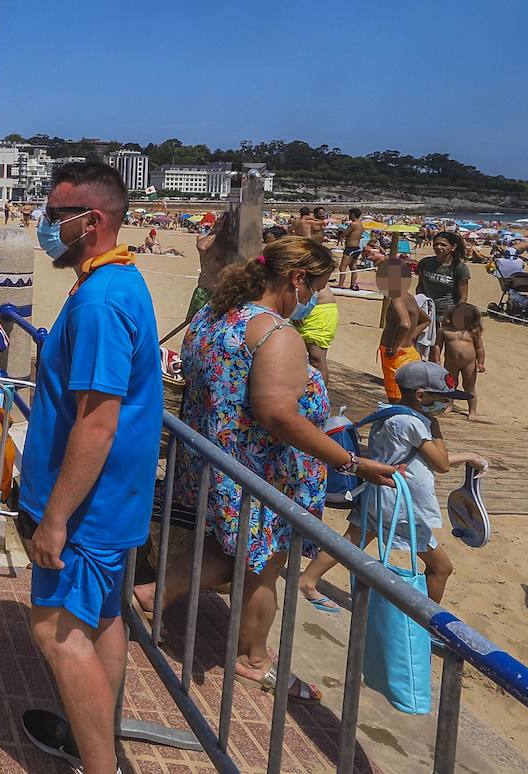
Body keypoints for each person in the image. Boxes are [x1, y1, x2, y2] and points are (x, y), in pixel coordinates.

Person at [132, 236, 399, 704]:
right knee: (264, 567)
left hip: (212, 462)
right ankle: (254, 659)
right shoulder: (276, 334)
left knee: (229, 547)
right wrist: (350, 461)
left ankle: (157, 594)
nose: (315, 297)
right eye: (316, 286)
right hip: (262, 475)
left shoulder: (212, 317)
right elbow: (277, 412)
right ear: (297, 280)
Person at [16, 163, 161, 774]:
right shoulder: (117, 279)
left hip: (86, 510)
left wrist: (54, 519)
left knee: (54, 631)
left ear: (91, 221)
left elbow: (97, 421)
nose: (46, 226)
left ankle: (100, 764)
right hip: (112, 502)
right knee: (103, 619)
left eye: (55, 216)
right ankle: (91, 738)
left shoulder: (101, 300)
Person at [299, 361, 487, 606]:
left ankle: (308, 580)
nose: (448, 405)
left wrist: (469, 456)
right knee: (442, 568)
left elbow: (426, 459)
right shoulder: (413, 423)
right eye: (444, 399)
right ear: (421, 395)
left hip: (378, 496)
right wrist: (436, 429)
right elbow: (440, 463)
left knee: (351, 541)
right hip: (400, 506)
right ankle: (425, 622)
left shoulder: (389, 413)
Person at [379, 261, 431, 402]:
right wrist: (411, 336)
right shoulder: (409, 298)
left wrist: (396, 347)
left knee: (395, 397)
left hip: (396, 355)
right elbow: (426, 320)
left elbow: (405, 324)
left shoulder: (396, 297)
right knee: (407, 397)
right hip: (409, 352)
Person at [417, 231, 471, 364]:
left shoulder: (459, 268)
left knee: (447, 352)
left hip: (447, 314)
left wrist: (454, 316)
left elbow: (463, 296)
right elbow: (420, 286)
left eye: (443, 244)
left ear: (453, 247)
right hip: (427, 313)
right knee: (425, 349)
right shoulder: (425, 263)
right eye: (436, 244)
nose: (438, 247)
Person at [190, 210, 237, 320]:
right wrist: (216, 231)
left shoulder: (232, 243)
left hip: (223, 293)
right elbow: (202, 246)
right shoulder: (206, 238)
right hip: (205, 289)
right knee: (194, 326)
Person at [441, 303, 485, 419]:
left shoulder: (473, 332)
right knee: (450, 385)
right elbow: (437, 346)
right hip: (451, 363)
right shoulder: (445, 331)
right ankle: (449, 405)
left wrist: (481, 362)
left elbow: (480, 348)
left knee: (469, 387)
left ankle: (472, 411)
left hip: (469, 364)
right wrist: (435, 359)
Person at [337, 208, 366, 290]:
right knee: (353, 267)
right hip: (357, 247)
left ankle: (341, 284)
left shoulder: (353, 224)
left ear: (353, 214)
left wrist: (341, 234)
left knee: (342, 267)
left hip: (350, 247)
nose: (349, 216)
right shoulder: (360, 224)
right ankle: (352, 284)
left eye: (350, 214)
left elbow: (345, 234)